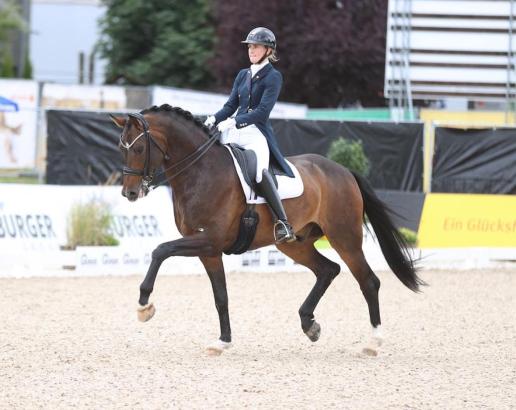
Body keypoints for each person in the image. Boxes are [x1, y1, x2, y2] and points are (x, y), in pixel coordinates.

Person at [205, 27, 296, 244]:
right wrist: (214, 118)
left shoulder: (273, 77)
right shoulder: (242, 75)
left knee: (258, 173)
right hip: (233, 132)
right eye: (249, 46)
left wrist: (235, 120)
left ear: (268, 50)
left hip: (256, 134)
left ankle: (282, 222)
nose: (251, 50)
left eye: (255, 46)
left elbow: (263, 111)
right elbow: (230, 106)